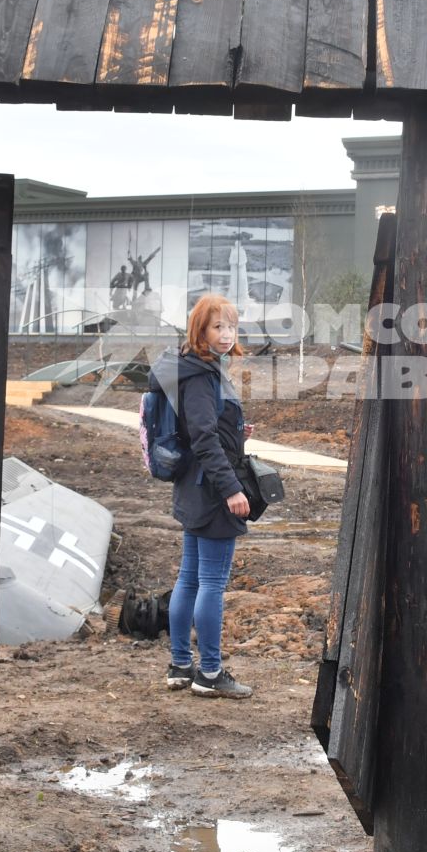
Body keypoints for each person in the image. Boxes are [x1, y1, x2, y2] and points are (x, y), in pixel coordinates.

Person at [152, 294, 255, 699]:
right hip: (210, 491)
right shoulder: (199, 375)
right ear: (200, 331)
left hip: (192, 487)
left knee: (189, 578)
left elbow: (206, 429)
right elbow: (203, 436)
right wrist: (232, 489)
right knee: (211, 582)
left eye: (231, 326)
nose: (227, 334)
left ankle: (181, 665)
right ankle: (209, 672)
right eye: (218, 327)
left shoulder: (195, 368)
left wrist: (237, 432)